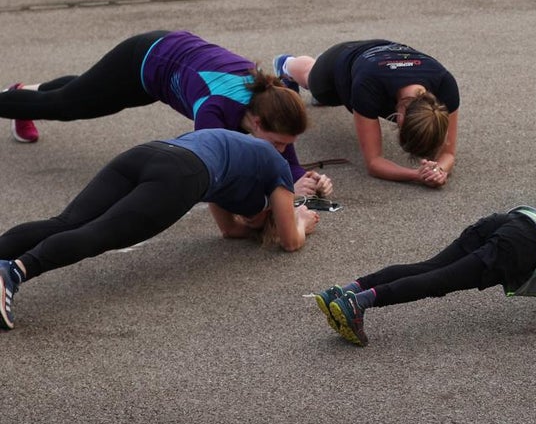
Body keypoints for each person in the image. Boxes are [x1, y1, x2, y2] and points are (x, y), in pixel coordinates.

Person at [0, 129, 321, 330]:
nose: (249, 219)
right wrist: (300, 221)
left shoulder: (239, 157)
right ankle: (12, 273)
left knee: (67, 222)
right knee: (100, 234)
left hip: (149, 151)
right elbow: (290, 242)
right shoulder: (277, 169)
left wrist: (254, 223)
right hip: (181, 175)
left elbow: (229, 230)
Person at [0, 30, 331, 196]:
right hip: (141, 60)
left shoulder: (276, 105)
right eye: (277, 144)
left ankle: (26, 92)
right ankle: (16, 98)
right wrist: (281, 186)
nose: (283, 149)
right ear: (256, 123)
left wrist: (301, 177)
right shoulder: (214, 113)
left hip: (166, 65)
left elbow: (285, 157)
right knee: (68, 105)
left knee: (87, 92)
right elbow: (214, 180)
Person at [312, 207, 536, 346]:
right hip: (524, 247)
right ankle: (358, 305)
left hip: (513, 222)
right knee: (439, 282)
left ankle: (346, 291)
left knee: (429, 268)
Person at [273, 40, 459, 187]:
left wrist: (439, 170)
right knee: (312, 81)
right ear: (399, 117)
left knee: (331, 94)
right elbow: (374, 162)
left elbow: (448, 153)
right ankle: (286, 64)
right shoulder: (369, 86)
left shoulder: (445, 85)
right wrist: (416, 175)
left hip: (380, 57)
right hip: (342, 61)